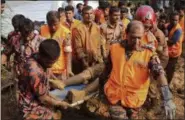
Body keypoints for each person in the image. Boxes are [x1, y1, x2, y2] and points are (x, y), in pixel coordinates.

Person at [102, 21, 176, 119]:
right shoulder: (115, 48)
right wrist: (100, 87)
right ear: (126, 34)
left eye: (139, 38)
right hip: (115, 96)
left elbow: (159, 73)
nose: (136, 41)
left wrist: (167, 97)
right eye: (133, 37)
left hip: (135, 99)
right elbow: (107, 69)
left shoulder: (148, 53)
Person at [18, 39, 70, 119]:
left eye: (54, 62)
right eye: (50, 63)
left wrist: (53, 80)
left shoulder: (38, 56)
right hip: (29, 104)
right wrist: (58, 103)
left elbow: (44, 78)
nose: (52, 66)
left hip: (38, 94)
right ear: (42, 57)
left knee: (59, 107)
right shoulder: (35, 70)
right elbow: (43, 99)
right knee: (55, 116)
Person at [40, 11, 73, 80]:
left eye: (55, 24)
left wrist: (68, 70)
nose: (53, 27)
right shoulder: (42, 29)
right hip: (45, 68)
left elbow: (68, 53)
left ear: (59, 20)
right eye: (50, 25)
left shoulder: (65, 32)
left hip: (60, 70)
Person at [72, 5, 104, 74]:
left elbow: (98, 45)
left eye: (91, 13)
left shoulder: (97, 28)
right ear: (82, 15)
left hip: (95, 61)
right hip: (81, 63)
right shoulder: (77, 29)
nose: (89, 16)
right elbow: (78, 48)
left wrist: (99, 59)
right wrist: (84, 62)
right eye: (87, 14)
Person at [166, 11, 183, 84]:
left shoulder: (178, 30)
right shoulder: (170, 25)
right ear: (170, 19)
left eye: (176, 20)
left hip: (174, 53)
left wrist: (164, 39)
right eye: (173, 20)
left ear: (178, 20)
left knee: (170, 69)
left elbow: (171, 42)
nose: (174, 21)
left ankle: (168, 84)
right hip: (169, 51)